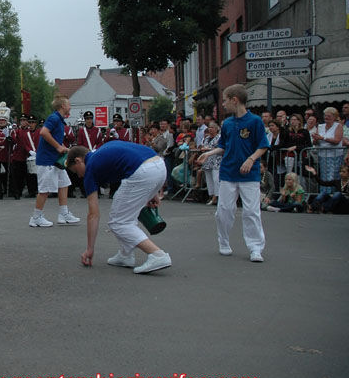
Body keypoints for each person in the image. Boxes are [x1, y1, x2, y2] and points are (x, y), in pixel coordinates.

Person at [66, 142, 172, 274]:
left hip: (142, 172)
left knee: (119, 222)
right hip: (159, 166)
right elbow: (132, 157)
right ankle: (125, 255)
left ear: (78, 160)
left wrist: (90, 249)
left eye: (76, 171)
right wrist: (153, 191)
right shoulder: (102, 151)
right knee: (121, 208)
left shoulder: (91, 168)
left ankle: (158, 255)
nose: (79, 176)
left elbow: (93, 215)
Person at [197, 84, 268, 263]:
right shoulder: (227, 123)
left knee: (251, 211)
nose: (223, 104)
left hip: (249, 174)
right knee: (224, 210)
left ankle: (255, 247)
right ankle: (224, 241)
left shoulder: (255, 121)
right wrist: (209, 153)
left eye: (225, 100)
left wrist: (251, 159)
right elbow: (223, 146)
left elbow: (263, 145)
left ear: (234, 100)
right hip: (228, 172)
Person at [29, 95, 80, 227]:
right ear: (62, 106)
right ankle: (36, 217)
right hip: (47, 160)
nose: (70, 107)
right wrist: (58, 147)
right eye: (68, 104)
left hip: (55, 160)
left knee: (64, 183)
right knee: (45, 189)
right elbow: (44, 132)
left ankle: (63, 214)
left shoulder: (59, 119)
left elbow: (53, 136)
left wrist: (63, 147)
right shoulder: (54, 118)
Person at [312, 107, 345, 195]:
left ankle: (332, 195)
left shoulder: (338, 126)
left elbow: (337, 140)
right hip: (323, 156)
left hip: (335, 156)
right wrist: (315, 139)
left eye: (329, 116)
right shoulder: (320, 126)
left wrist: (322, 138)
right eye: (325, 116)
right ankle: (324, 195)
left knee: (332, 177)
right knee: (324, 177)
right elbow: (316, 141)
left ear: (334, 117)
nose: (326, 117)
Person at [200, 121, 221, 206]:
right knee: (209, 179)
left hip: (217, 161)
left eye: (212, 127)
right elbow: (202, 146)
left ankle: (216, 196)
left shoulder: (219, 137)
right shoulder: (207, 138)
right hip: (207, 161)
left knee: (216, 179)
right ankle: (211, 194)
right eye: (209, 127)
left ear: (216, 129)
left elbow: (220, 148)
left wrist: (208, 149)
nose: (210, 129)